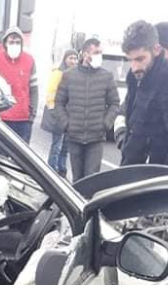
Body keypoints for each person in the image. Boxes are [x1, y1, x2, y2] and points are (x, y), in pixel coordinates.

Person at [114, 20, 168, 168]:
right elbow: (132, 120)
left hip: (155, 170)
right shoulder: (135, 75)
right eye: (130, 60)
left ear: (156, 50)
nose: (134, 67)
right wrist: (125, 144)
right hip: (131, 165)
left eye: (140, 59)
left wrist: (165, 175)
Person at [55, 37, 120, 182]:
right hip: (74, 136)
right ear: (85, 55)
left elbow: (115, 103)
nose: (99, 56)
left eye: (100, 52)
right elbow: (59, 103)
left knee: (91, 180)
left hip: (96, 138)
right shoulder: (69, 76)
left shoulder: (106, 76)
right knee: (77, 180)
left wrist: (106, 124)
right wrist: (66, 124)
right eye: (96, 52)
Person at [0, 27, 39, 143]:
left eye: (17, 42)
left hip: (23, 121)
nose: (14, 45)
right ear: (5, 43)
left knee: (21, 154)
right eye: (11, 42)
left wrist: (32, 115)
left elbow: (34, 90)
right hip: (0, 119)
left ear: (22, 44)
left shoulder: (30, 60)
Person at [42, 49, 78, 177]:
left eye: (75, 58)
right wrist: (55, 111)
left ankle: (62, 168)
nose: (73, 61)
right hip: (59, 114)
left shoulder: (75, 74)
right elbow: (51, 93)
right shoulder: (58, 73)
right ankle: (52, 169)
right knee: (57, 144)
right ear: (65, 59)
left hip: (70, 115)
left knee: (66, 145)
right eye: (70, 58)